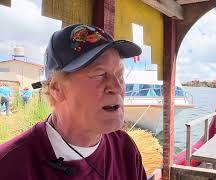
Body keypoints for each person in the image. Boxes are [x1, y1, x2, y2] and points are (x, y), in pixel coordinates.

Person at [0, 24, 147, 179]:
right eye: (100, 74)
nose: (117, 87)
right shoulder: (10, 166)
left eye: (120, 75)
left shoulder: (124, 149)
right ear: (57, 89)